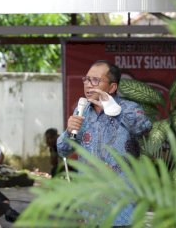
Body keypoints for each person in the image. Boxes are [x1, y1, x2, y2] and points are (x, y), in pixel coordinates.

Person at [57, 60, 152, 226]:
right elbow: (63, 150)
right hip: (90, 207)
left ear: (112, 87)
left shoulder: (129, 108)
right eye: (86, 79)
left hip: (124, 207)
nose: (88, 84)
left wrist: (114, 109)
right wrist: (68, 131)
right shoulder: (82, 111)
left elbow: (144, 128)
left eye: (95, 80)